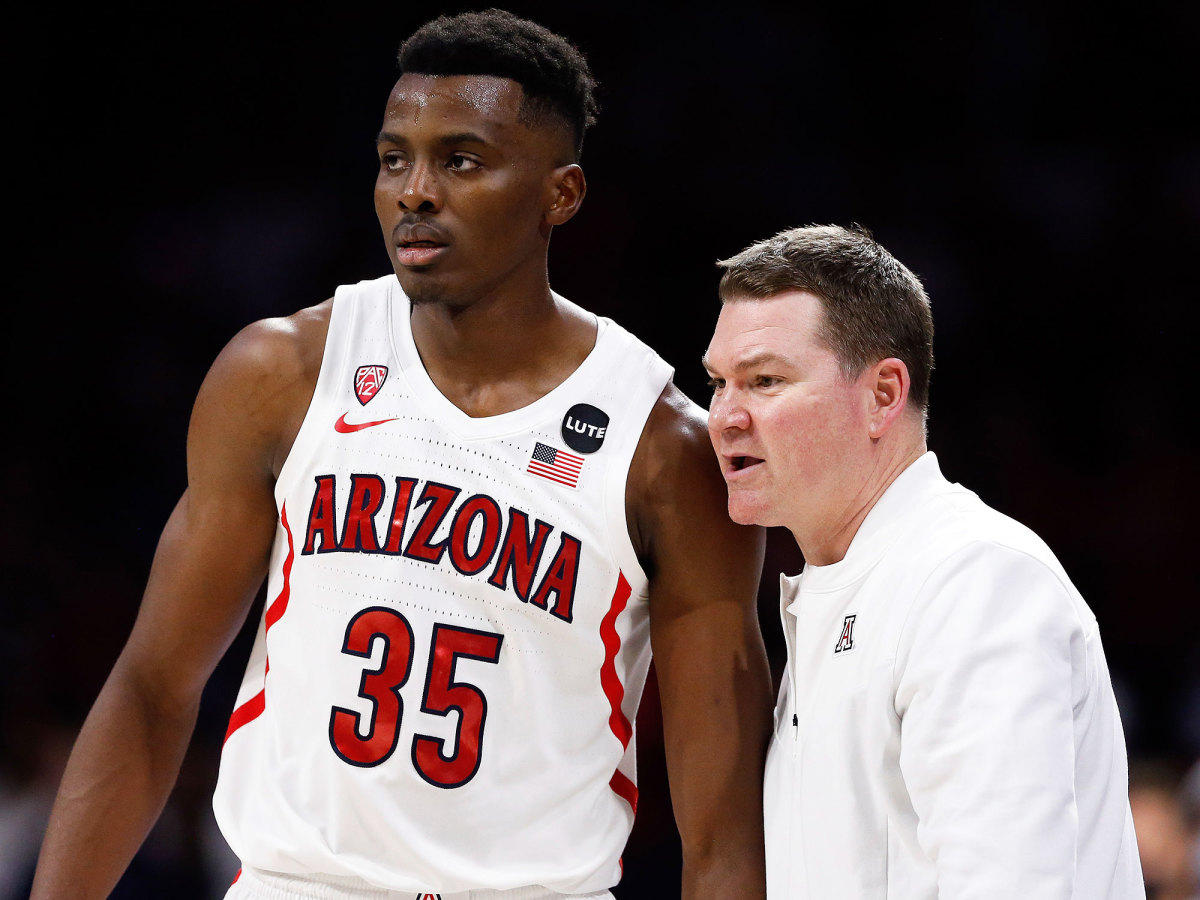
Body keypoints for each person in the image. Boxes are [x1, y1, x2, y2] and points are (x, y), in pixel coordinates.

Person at [32, 10, 773, 899]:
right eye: (394, 160)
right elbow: (152, 690)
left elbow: (722, 834)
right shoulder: (282, 373)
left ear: (561, 194)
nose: (415, 192)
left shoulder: (664, 448)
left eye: (461, 161)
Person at [702, 224, 1144, 899]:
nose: (725, 416)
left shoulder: (974, 580)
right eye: (718, 383)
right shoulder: (843, 588)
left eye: (765, 381)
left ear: (883, 395)